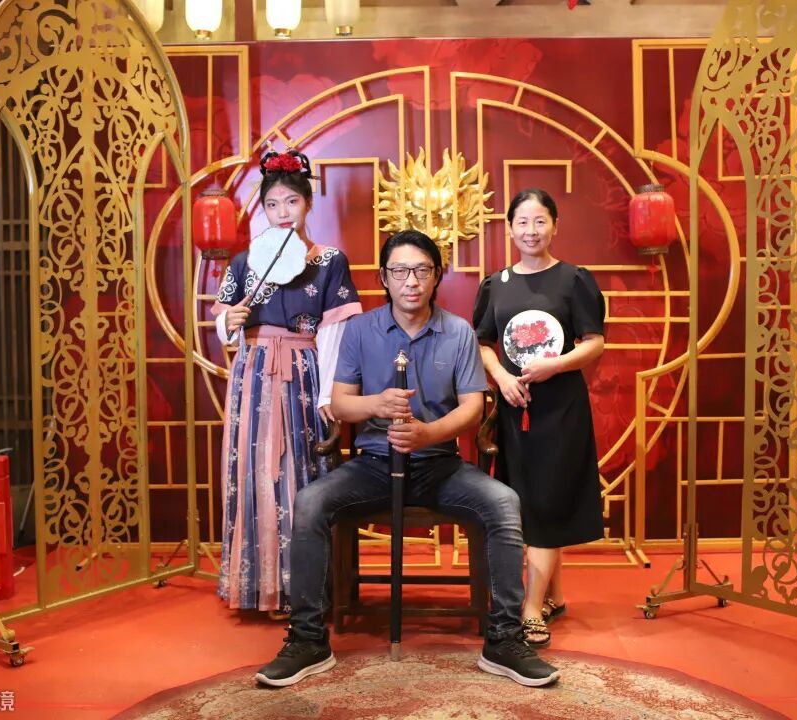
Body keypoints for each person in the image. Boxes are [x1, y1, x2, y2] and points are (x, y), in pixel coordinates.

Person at [254, 230, 561, 688]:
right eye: (399, 271)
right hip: (375, 464)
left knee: (503, 503)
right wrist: (376, 404)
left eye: (421, 270)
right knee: (311, 502)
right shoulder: (361, 330)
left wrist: (427, 434)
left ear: (437, 276)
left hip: (440, 465)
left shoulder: (458, 332)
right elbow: (341, 404)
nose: (411, 281)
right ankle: (308, 639)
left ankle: (503, 640)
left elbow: (472, 408)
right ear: (384, 277)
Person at [212, 150, 362, 616]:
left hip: (303, 373)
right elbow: (225, 324)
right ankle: (258, 586)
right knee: (254, 468)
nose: (282, 213)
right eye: (272, 204)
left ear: (308, 204)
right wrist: (227, 324)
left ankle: (305, 589)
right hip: (253, 374)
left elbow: (335, 331)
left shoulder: (329, 260)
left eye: (292, 202)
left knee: (301, 468)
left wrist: (328, 392)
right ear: (263, 209)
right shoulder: (244, 262)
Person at [472, 188, 606, 648]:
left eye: (540, 221)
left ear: (555, 226)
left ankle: (530, 609)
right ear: (509, 229)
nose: (531, 231)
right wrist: (500, 378)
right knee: (526, 502)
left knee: (548, 502)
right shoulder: (496, 284)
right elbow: (482, 343)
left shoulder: (574, 279)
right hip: (514, 408)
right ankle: (556, 595)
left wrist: (556, 364)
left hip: (561, 409)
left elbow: (595, 342)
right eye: (522, 222)